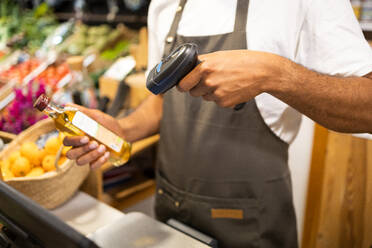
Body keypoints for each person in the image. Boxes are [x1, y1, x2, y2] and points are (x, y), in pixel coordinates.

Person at [64, 0, 372, 247]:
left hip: (252, 228)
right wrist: (124, 129)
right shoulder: (165, 5)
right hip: (169, 217)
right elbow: (166, 97)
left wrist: (274, 73)